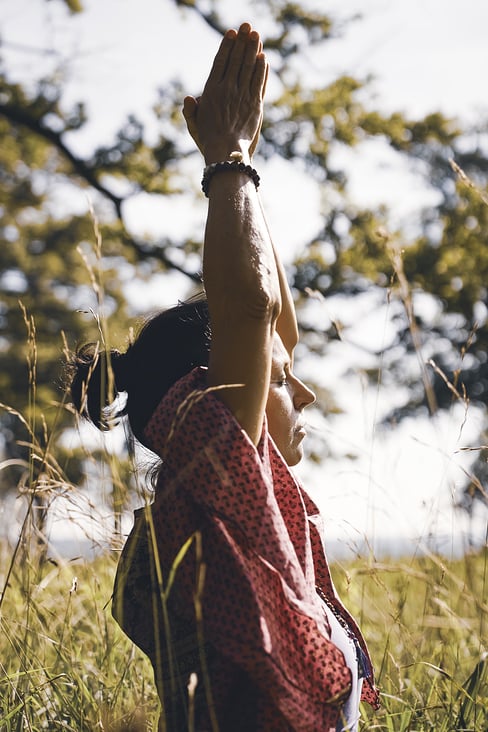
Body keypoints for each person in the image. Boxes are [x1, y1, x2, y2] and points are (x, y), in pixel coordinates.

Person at [69, 22, 379, 731]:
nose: (303, 392)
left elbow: (271, 325)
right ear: (206, 394)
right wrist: (228, 160)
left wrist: (248, 169)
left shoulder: (242, 503)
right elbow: (249, 309)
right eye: (282, 378)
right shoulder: (214, 491)